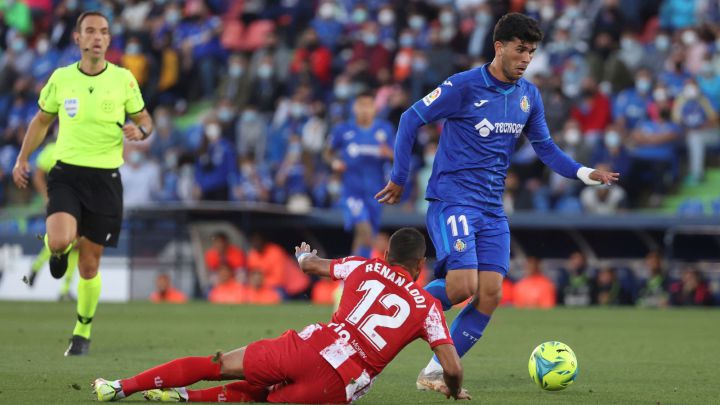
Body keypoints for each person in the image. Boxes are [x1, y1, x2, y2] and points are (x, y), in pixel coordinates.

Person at [375, 13, 619, 392]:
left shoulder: (528, 96)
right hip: (453, 199)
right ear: (499, 47)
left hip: (491, 208)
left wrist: (586, 173)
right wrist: (399, 178)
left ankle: (434, 371)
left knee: (489, 293)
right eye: (520, 50)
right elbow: (410, 119)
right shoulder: (462, 86)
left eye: (532, 52)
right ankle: (384, 312)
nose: (526, 59)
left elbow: (547, 149)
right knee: (460, 286)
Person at [92, 228, 470, 403]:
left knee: (220, 363)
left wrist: (303, 256)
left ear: (387, 254)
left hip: (311, 344)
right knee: (263, 398)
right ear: (420, 265)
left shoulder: (363, 266)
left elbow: (312, 266)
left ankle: (119, 387)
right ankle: (186, 398)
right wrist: (453, 392)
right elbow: (452, 367)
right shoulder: (428, 307)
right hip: (339, 382)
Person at [11, 11, 153, 356]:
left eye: (103, 32)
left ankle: (82, 332)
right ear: (78, 38)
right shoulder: (61, 78)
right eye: (90, 31)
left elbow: (145, 119)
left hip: (106, 180)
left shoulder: (123, 80)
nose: (97, 37)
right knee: (60, 240)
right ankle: (57, 252)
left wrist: (142, 131)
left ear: (108, 39)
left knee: (90, 264)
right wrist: (22, 158)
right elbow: (42, 120)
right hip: (67, 175)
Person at [327, 91, 394, 258]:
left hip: (377, 192)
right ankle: (385, 257)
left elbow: (398, 156)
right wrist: (334, 162)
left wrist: (389, 154)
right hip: (352, 192)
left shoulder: (385, 129)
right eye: (361, 105)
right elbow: (327, 153)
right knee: (364, 229)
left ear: (375, 108)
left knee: (363, 237)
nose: (365, 109)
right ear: (354, 108)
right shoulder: (343, 130)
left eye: (368, 105)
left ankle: (353, 275)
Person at [24, 140, 79, 301]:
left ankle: (64, 289)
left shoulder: (76, 146)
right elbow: (38, 175)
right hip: (61, 201)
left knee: (75, 244)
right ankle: (62, 287)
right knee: (64, 241)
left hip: (77, 202)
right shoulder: (52, 150)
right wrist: (47, 198)